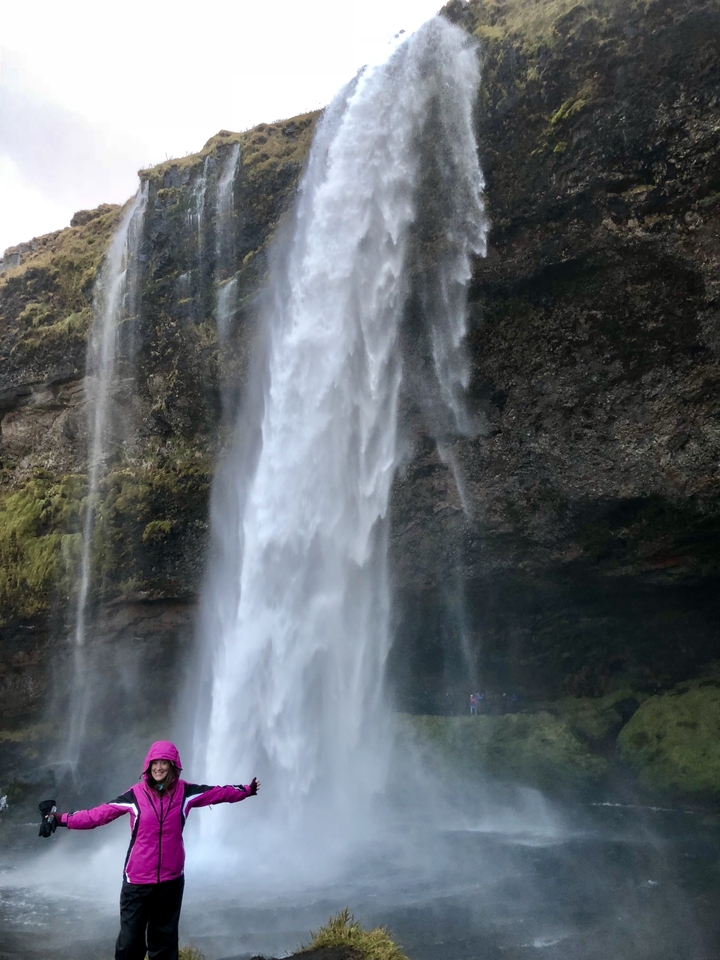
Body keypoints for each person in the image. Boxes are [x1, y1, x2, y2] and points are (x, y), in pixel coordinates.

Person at [40, 740, 259, 960]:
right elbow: (97, 815)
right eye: (155, 763)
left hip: (170, 882)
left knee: (164, 945)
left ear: (173, 766)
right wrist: (60, 819)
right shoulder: (135, 796)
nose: (159, 767)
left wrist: (247, 790)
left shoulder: (186, 793)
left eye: (164, 763)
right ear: (148, 765)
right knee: (129, 944)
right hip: (137, 882)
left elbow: (218, 793)